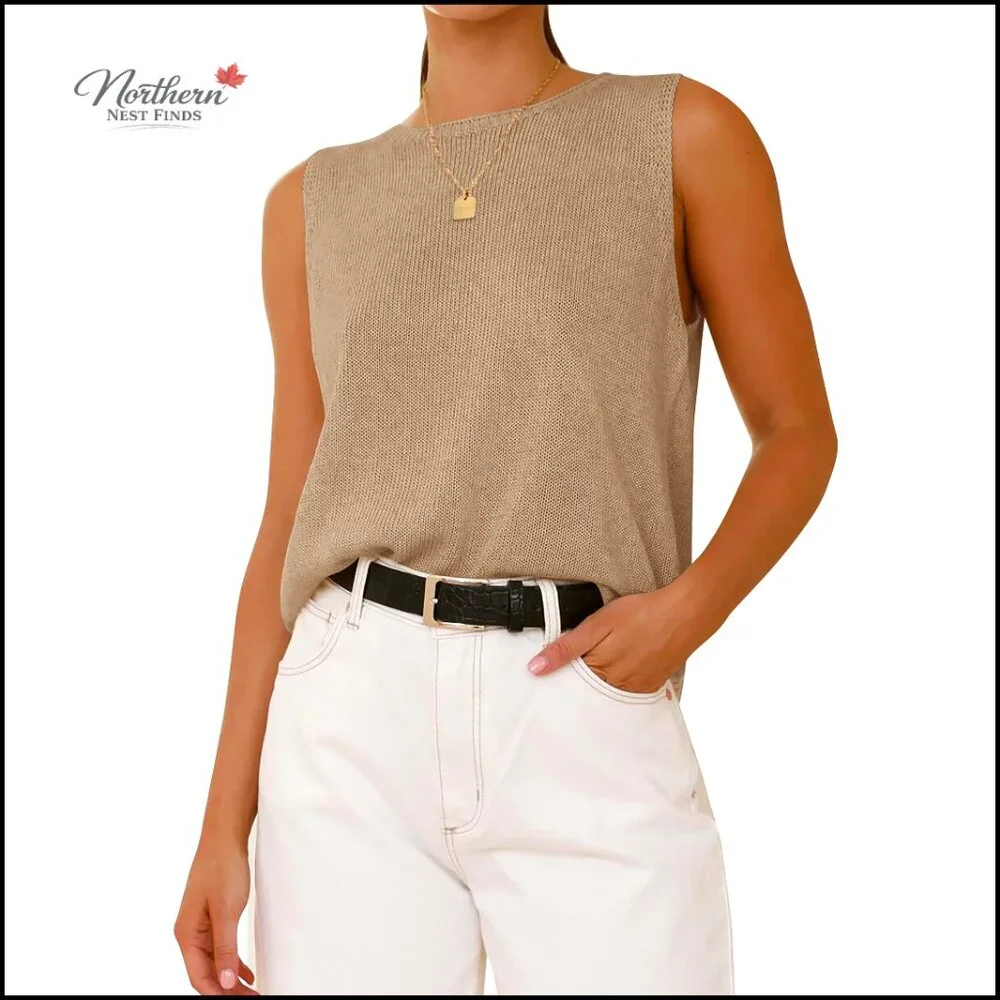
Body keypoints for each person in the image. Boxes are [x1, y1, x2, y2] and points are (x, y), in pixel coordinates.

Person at [174, 4, 837, 995]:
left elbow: (797, 431)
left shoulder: (683, 135)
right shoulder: (312, 201)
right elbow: (288, 521)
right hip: (347, 721)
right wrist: (222, 825)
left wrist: (685, 614)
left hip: (581, 695)